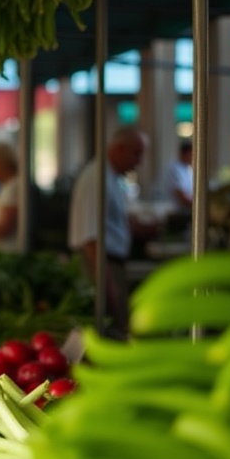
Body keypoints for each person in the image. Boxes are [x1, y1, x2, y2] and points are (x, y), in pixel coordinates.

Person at [69, 125, 158, 338]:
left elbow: (109, 223)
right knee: (109, 330)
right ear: (119, 149)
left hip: (108, 263)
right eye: (136, 153)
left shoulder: (109, 177)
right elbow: (91, 238)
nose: (139, 161)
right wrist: (107, 287)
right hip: (100, 264)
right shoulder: (97, 178)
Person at [163, 140, 193, 210]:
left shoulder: (189, 169)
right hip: (175, 212)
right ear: (184, 153)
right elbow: (182, 199)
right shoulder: (174, 169)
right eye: (192, 154)